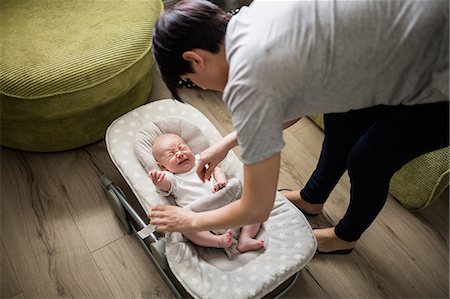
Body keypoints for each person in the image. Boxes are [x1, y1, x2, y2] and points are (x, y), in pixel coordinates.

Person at [149, 0, 449, 254]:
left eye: (190, 82)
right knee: (341, 117)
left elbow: (256, 208)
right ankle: (312, 198)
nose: (202, 87)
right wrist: (227, 143)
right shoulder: (249, 15)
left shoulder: (247, 78)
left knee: (369, 161)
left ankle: (345, 237)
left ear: (195, 59)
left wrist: (188, 221)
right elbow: (296, 101)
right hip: (409, 30)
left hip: (437, 72)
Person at [150, 133, 264, 253]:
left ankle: (245, 238)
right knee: (185, 227)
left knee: (254, 204)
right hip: (201, 217)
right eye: (171, 154)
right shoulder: (171, 177)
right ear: (162, 166)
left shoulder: (201, 160)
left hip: (226, 203)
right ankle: (217, 241)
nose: (179, 154)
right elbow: (165, 185)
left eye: (182, 148)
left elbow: (216, 169)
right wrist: (158, 181)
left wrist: (221, 181)